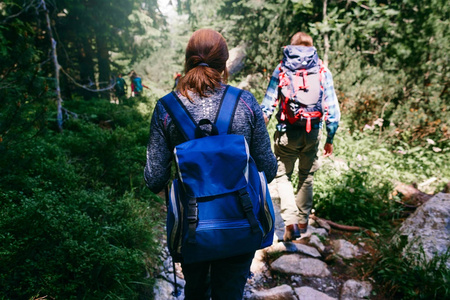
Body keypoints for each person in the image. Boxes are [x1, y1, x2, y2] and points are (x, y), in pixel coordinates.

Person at [144, 28, 277, 300]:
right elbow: (270, 169)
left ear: (187, 61)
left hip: (192, 230)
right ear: (225, 63)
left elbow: (154, 178)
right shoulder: (246, 103)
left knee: (195, 292)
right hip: (241, 221)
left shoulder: (166, 108)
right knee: (230, 293)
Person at [260, 31, 341, 241]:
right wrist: (330, 138)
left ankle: (291, 222)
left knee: (282, 176)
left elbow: (267, 107)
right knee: (307, 175)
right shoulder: (322, 70)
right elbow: (333, 110)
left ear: (291, 46)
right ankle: (303, 221)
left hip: (287, 131)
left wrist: (258, 135)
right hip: (313, 132)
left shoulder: (282, 68)